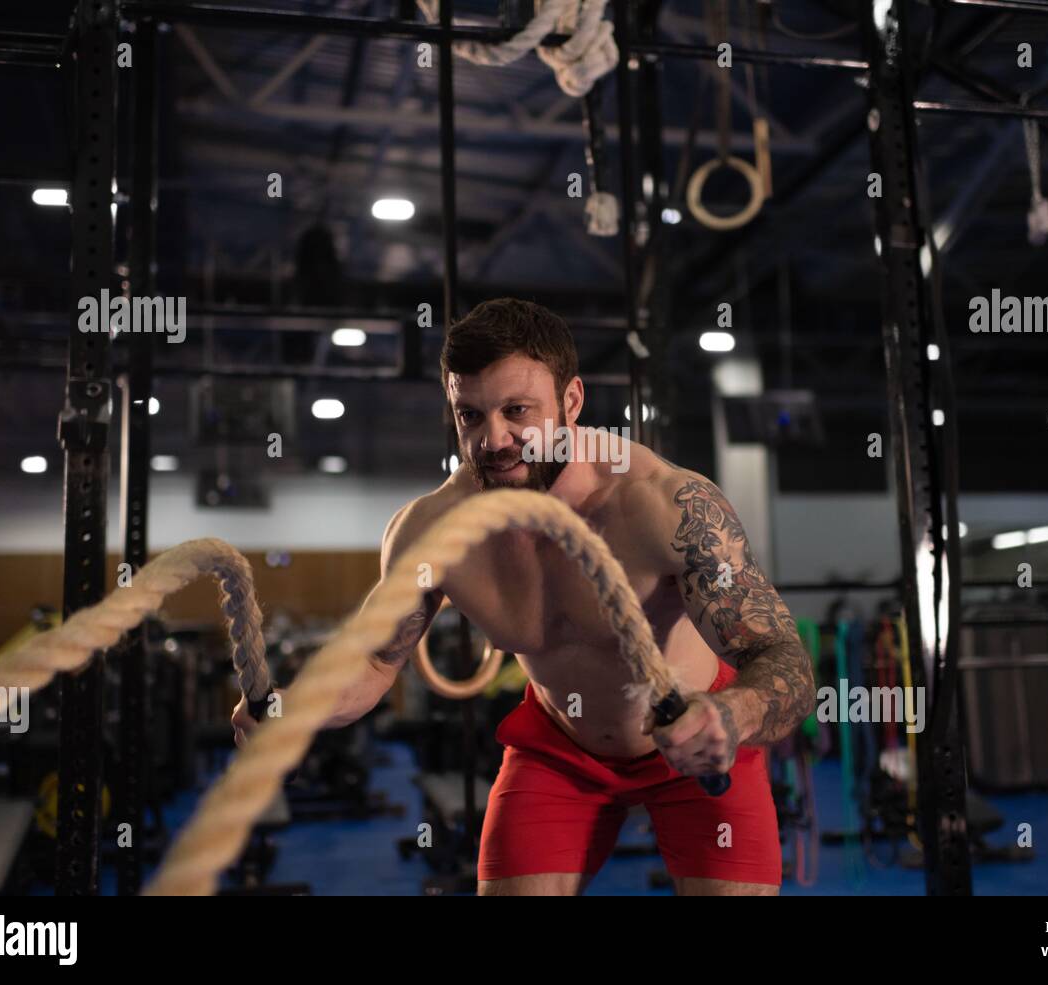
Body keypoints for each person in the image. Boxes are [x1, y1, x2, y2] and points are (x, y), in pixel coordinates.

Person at [233, 298, 816, 895]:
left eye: (517, 411)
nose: (495, 440)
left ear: (572, 402)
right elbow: (376, 660)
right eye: (470, 416)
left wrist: (730, 716)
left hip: (696, 745)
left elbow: (785, 663)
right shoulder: (434, 530)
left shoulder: (665, 506)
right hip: (561, 753)